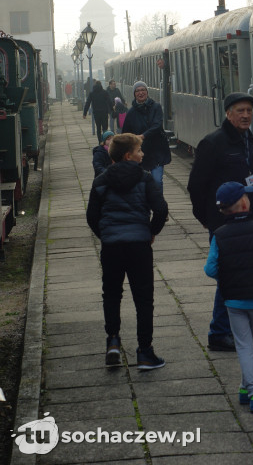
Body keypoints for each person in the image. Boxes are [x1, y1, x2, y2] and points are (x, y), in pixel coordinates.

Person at [187, 91, 253, 352]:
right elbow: (196, 185)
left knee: (243, 276)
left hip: (248, 221)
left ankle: (237, 331)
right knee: (229, 277)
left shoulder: (249, 141)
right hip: (223, 224)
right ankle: (219, 332)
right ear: (228, 113)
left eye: (249, 111)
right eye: (240, 111)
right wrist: (208, 218)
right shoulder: (214, 143)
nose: (245, 115)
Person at [86, 133, 168, 370]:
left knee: (111, 294)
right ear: (128, 155)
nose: (143, 154)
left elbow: (92, 217)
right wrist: (151, 231)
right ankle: (145, 352)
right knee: (143, 299)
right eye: (140, 150)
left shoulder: (101, 180)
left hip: (111, 248)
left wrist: (107, 234)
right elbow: (161, 209)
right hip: (139, 247)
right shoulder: (145, 179)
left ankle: (112, 341)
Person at [204, 181, 253, 413]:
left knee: (244, 345)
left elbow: (210, 269)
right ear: (244, 203)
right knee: (252, 345)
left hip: (234, 300)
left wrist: (228, 274)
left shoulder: (219, 235)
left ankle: (246, 389)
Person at [121, 81, 171, 186]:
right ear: (134, 94)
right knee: (140, 183)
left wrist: (143, 136)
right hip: (139, 153)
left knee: (157, 181)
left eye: (143, 90)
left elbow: (157, 125)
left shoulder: (156, 107)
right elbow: (125, 133)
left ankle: (157, 202)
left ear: (147, 92)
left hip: (156, 151)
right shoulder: (131, 113)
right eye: (138, 91)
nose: (141, 93)